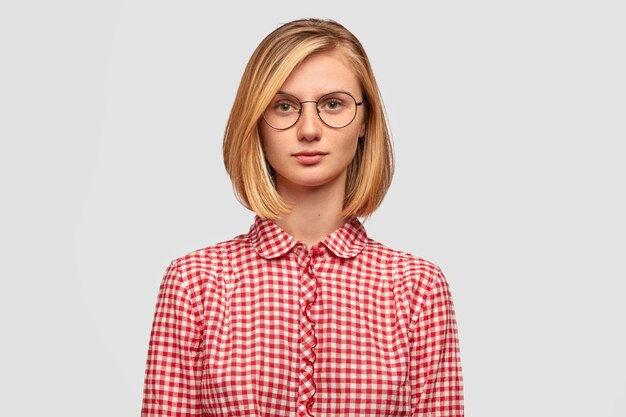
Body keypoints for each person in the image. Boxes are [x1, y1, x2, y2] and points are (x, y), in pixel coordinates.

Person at [141, 18, 464, 417]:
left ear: (365, 120)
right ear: (256, 122)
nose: (309, 129)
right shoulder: (196, 283)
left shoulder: (416, 289)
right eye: (284, 106)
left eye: (333, 103)